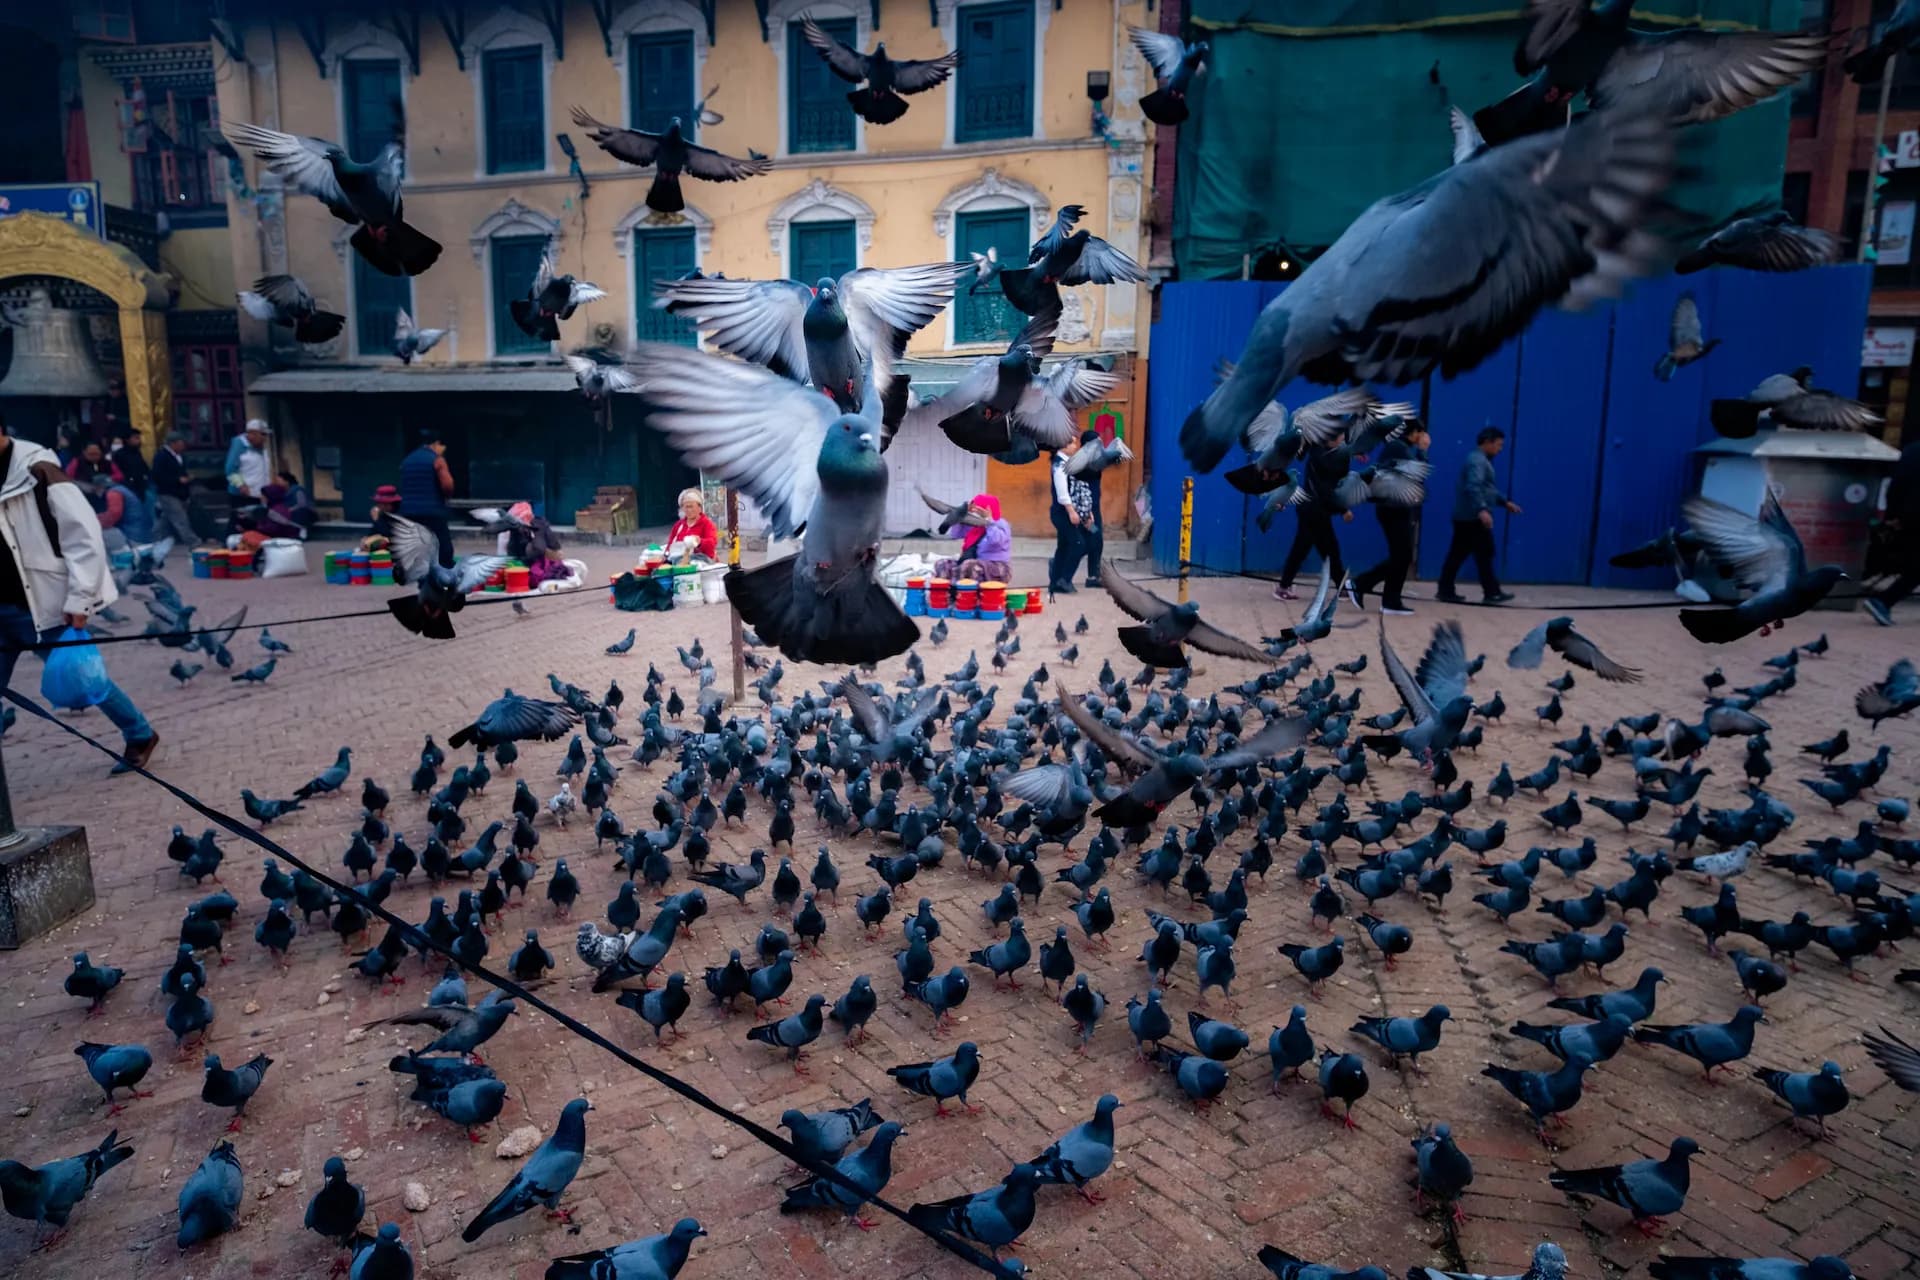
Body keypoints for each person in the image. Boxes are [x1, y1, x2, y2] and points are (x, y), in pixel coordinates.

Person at [0, 411, 157, 772]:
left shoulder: (38, 469)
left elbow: (83, 533)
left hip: (39, 599)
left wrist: (81, 597)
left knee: (83, 677)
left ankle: (139, 733)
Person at [1351, 422, 1432, 615]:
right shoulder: (1398, 447)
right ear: (1414, 432)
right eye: (1421, 433)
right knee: (1402, 555)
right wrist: (1423, 451)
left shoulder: (1402, 448)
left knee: (1401, 556)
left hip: (1397, 508)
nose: (1424, 437)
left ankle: (1380, 594)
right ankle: (1369, 588)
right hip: (1392, 509)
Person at [1437, 425, 1520, 605]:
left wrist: (1504, 502)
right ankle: (1491, 592)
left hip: (1467, 516)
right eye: (1498, 445)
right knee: (1483, 553)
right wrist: (1482, 509)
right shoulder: (1477, 461)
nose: (1500, 449)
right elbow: (1473, 487)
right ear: (1488, 442)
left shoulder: (1479, 459)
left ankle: (1447, 590)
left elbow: (1487, 489)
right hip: (1472, 517)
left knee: (1462, 554)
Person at [1867, 439, 1920, 625]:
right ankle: (1884, 601)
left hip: (1904, 514)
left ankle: (1884, 601)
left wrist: (1893, 514)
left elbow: (1896, 483)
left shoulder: (1912, 449)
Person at [398, 428, 456, 567]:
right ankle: (445, 570)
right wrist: (447, 496)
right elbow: (448, 486)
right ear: (436, 444)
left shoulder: (407, 460)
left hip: (408, 512)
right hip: (432, 511)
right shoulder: (437, 460)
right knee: (443, 545)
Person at [934, 493, 1013, 584]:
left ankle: (961, 590)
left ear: (987, 509)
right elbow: (955, 534)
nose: (975, 511)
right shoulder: (975, 524)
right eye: (973, 508)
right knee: (942, 564)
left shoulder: (1000, 524)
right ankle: (944, 590)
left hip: (998, 567)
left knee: (969, 566)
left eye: (977, 509)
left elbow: (995, 541)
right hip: (975, 563)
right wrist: (960, 515)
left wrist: (988, 520)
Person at [1049, 443, 1090, 593]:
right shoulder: (1060, 465)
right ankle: (1064, 579)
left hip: (1074, 511)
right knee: (1079, 544)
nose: (1075, 446)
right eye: (1071, 442)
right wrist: (1071, 511)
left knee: (1064, 546)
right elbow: (1062, 493)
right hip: (1063, 513)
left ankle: (1056, 581)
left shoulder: (1069, 463)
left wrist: (1086, 511)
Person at [149, 431, 198, 550]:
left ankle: (155, 539)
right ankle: (193, 542)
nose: (183, 446)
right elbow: (157, 476)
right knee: (180, 518)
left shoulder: (180, 456)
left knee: (166, 519)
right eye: (181, 443)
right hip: (167, 493)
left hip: (180, 493)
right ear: (173, 444)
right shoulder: (161, 456)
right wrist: (177, 480)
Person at [93, 475, 159, 556]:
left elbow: (114, 514)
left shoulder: (113, 493)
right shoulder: (121, 489)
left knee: (104, 534)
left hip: (133, 534)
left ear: (99, 487)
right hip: (141, 529)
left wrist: (96, 523)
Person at [1076, 429, 1108, 588]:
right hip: (1086, 511)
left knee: (1094, 541)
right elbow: (1081, 490)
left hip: (1095, 509)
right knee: (1091, 541)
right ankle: (1059, 562)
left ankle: (1093, 576)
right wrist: (1086, 514)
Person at [667, 488, 719, 561]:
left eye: (691, 506)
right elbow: (670, 544)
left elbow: (712, 544)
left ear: (699, 508)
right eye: (686, 507)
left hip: (703, 561)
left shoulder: (707, 524)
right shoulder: (678, 525)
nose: (689, 510)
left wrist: (700, 542)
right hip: (681, 561)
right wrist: (666, 555)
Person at [228, 421, 273, 501]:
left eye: (266, 435)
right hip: (244, 496)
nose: (265, 438)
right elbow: (230, 470)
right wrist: (241, 485)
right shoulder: (239, 447)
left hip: (261, 496)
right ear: (252, 434)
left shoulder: (262, 448)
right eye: (263, 434)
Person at [111, 429, 151, 496]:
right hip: (129, 487)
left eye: (139, 438)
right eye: (136, 438)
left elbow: (144, 468)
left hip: (142, 485)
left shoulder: (137, 453)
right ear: (127, 440)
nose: (139, 440)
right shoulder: (119, 454)